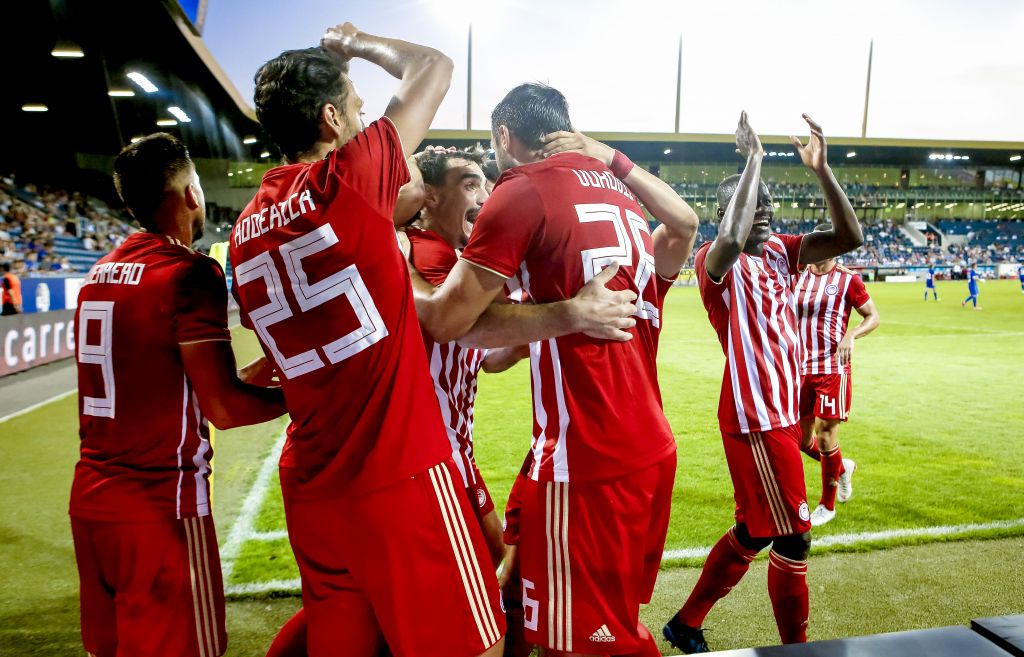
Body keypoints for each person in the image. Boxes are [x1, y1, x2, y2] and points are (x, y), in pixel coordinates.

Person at [235, 27, 631, 657]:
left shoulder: (245, 228)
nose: (366, 121)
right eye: (357, 108)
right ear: (332, 119)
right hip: (397, 465)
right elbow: (434, 66)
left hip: (311, 474)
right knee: (478, 643)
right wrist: (352, 42)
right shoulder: (347, 185)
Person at [410, 82, 701, 657]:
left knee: (595, 640)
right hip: (645, 444)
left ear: (504, 135)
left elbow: (448, 321)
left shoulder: (523, 188)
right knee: (539, 595)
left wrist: (390, 266)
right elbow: (685, 224)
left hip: (588, 454)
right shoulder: (623, 196)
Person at [70, 133, 287, 657]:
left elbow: (165, 382)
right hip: (160, 507)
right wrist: (304, 397)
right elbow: (224, 409)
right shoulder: (189, 272)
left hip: (93, 503)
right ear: (192, 193)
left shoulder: (99, 273)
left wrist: (255, 374)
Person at [662, 112, 863, 653]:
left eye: (770, 201)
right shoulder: (714, 262)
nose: (767, 209)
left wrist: (822, 171)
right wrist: (754, 158)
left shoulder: (781, 252)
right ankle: (797, 647)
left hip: (781, 410)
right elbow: (732, 234)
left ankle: (685, 623)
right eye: (755, 202)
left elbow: (849, 236)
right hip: (757, 416)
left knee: (756, 528)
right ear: (728, 212)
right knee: (794, 537)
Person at [794, 228, 881, 527]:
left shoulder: (847, 279)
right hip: (799, 367)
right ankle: (841, 466)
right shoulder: (798, 275)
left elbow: (873, 316)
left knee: (825, 434)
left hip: (832, 367)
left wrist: (851, 334)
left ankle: (827, 506)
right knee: (801, 439)